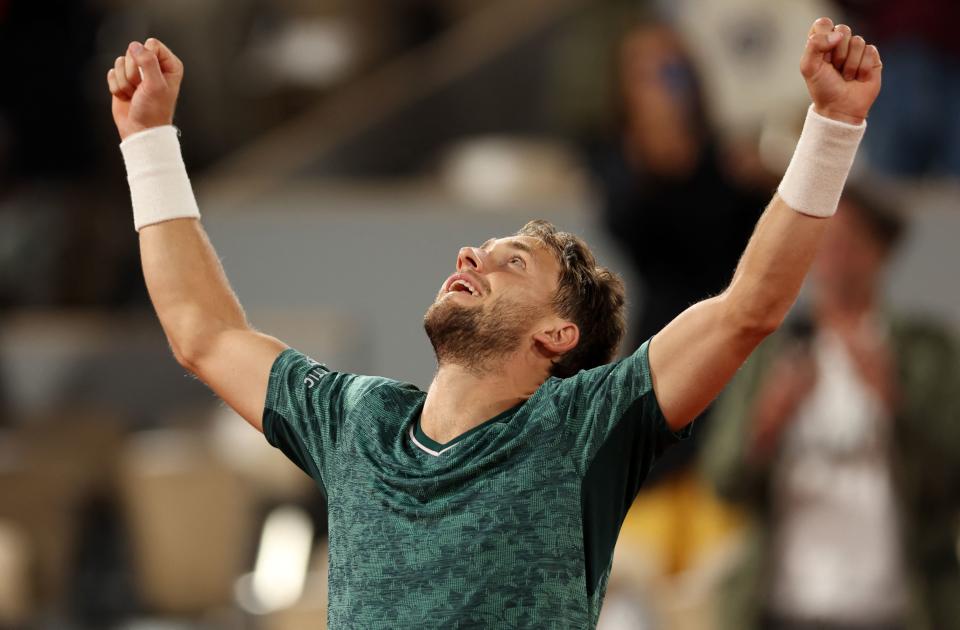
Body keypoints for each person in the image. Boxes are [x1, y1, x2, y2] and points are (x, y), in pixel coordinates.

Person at [106, 18, 882, 629]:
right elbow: (200, 332)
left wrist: (831, 128)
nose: (473, 252)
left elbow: (749, 309)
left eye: (514, 262)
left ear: (557, 335)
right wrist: (147, 141)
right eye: (486, 246)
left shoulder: (584, 427)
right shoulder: (356, 420)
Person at [701, 186, 960, 630]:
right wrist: (767, 425)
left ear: (880, 251)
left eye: (847, 241)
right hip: (784, 605)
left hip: (897, 607)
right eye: (821, 241)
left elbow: (949, 482)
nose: (832, 256)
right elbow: (722, 483)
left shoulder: (926, 353)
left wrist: (895, 404)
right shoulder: (771, 352)